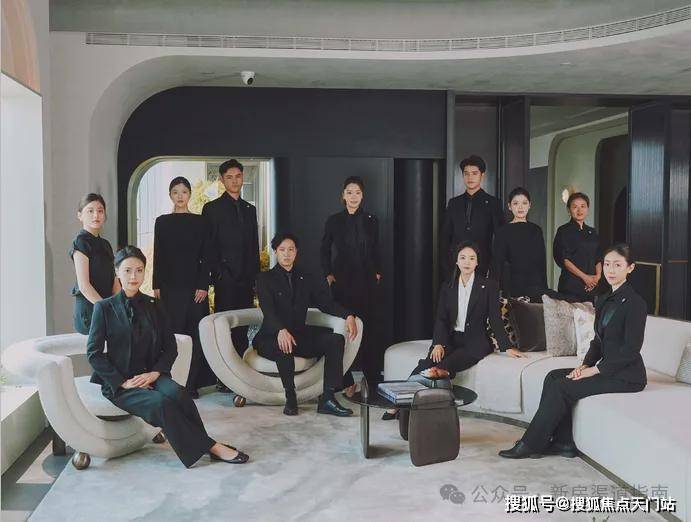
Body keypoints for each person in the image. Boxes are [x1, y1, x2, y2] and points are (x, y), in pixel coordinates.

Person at [87, 245, 249, 467]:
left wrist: (155, 373)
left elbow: (170, 346)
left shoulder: (154, 305)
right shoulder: (104, 308)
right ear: (117, 272)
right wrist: (122, 382)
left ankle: (206, 444)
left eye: (139, 270)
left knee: (179, 394)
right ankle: (213, 447)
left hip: (152, 375)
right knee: (161, 403)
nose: (133, 277)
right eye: (127, 271)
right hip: (122, 383)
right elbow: (94, 354)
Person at [499, 244, 646, 459]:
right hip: (607, 370)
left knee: (562, 387)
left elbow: (631, 351)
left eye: (617, 265)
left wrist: (593, 371)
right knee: (553, 376)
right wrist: (584, 365)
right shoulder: (604, 298)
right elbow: (598, 341)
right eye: (607, 264)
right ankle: (564, 443)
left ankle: (530, 443)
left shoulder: (635, 303)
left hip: (627, 376)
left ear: (630, 268)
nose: (611, 270)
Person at [383, 241, 524, 420]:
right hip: (450, 339)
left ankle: (413, 408)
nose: (467, 262)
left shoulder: (489, 285)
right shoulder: (448, 286)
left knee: (440, 368)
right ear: (456, 261)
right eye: (463, 257)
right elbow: (441, 319)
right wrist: (438, 343)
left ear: (477, 262)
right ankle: (399, 404)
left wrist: (507, 346)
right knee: (427, 363)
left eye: (472, 258)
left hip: (475, 342)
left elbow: (495, 319)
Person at [253, 233, 359, 417]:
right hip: (270, 337)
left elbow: (325, 303)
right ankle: (291, 397)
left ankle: (327, 399)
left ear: (296, 252)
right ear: (275, 252)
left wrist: (348, 315)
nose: (287, 254)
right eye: (282, 250)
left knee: (335, 340)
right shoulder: (264, 278)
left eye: (291, 249)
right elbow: (268, 310)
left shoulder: (305, 278)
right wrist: (280, 330)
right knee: (284, 344)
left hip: (298, 336)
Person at [320, 176, 382, 395]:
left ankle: (372, 379)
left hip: (366, 282)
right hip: (343, 282)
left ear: (362, 196)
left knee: (369, 332)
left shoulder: (371, 220)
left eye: (357, 192)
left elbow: (377, 249)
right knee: (343, 330)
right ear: (343, 195)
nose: (353, 196)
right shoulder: (334, 220)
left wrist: (377, 273)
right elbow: (324, 249)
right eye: (349, 192)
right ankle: (346, 381)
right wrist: (328, 274)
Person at [202, 159, 260, 391]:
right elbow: (209, 247)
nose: (234, 181)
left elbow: (254, 246)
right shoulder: (212, 209)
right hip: (224, 279)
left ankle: (240, 376)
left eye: (238, 176)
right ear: (222, 180)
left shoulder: (250, 209)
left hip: (246, 279)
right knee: (224, 327)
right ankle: (224, 378)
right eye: (229, 177)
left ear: (243, 177)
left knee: (243, 328)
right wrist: (218, 274)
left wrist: (256, 279)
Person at [153, 177, 212, 399]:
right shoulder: (162, 222)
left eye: (184, 192)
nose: (180, 196)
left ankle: (191, 384)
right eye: (175, 192)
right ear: (170, 195)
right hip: (169, 287)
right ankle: (172, 381)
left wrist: (203, 285)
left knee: (194, 334)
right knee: (171, 334)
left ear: (189, 195)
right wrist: (156, 285)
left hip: (195, 287)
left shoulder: (201, 222)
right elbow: (158, 254)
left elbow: (207, 256)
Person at [441, 155, 505, 278]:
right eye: (466, 174)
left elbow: (500, 239)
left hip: (483, 267)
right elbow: (445, 238)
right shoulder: (454, 203)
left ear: (482, 175)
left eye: (474, 173)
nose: (470, 178)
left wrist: (493, 270)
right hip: (456, 267)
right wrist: (447, 268)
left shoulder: (493, 203)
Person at [70, 193, 119, 334]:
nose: (96, 215)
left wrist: (120, 307)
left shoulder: (106, 244)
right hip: (90, 310)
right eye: (90, 211)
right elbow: (84, 286)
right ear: (80, 216)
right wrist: (107, 309)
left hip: (107, 308)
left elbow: (114, 281)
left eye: (100, 211)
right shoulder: (81, 242)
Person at [491, 187, 547, 301]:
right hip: (511, 287)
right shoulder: (502, 231)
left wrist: (543, 289)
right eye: (516, 203)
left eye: (524, 203)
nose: (520, 207)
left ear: (530, 205)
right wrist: (494, 292)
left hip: (534, 287)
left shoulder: (536, 230)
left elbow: (541, 262)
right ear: (509, 206)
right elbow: (497, 264)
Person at [553, 192, 602, 303]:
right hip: (571, 286)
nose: (579, 210)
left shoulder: (592, 232)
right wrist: (586, 278)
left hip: (591, 286)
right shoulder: (564, 231)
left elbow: (598, 258)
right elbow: (565, 260)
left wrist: (597, 277)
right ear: (568, 210)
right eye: (575, 207)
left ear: (587, 208)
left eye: (583, 206)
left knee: (589, 313)